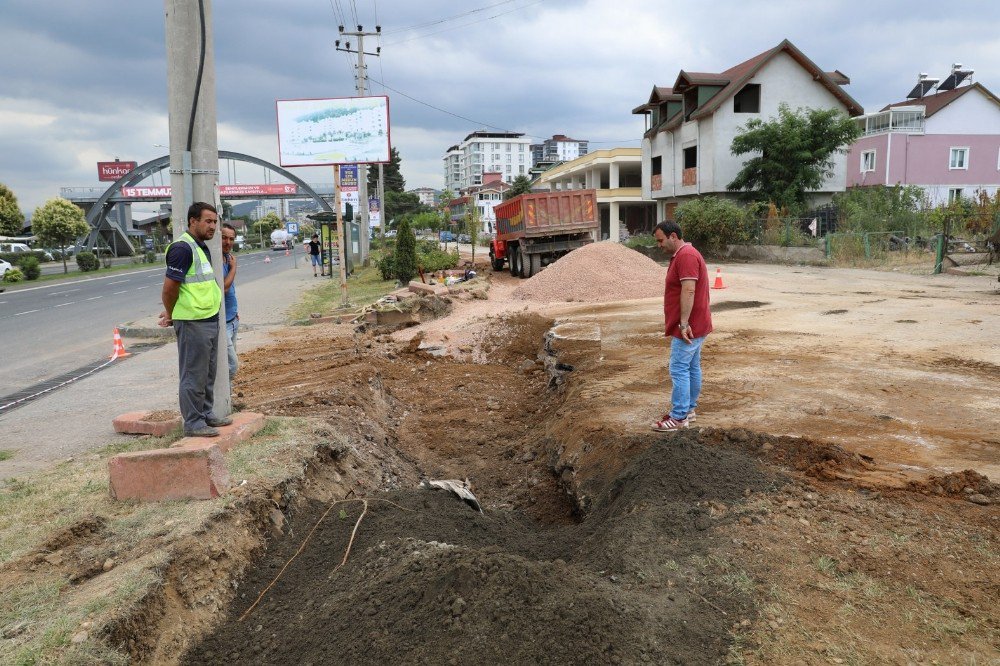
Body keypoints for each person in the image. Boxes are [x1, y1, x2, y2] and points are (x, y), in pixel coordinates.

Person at [158, 202, 232, 437]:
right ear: (193, 221)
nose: (212, 226)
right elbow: (170, 289)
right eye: (207, 221)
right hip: (192, 322)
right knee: (193, 374)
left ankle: (205, 414)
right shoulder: (182, 248)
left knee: (209, 372)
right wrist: (171, 313)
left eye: (214, 221)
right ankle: (193, 422)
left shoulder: (201, 247)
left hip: (208, 318)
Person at [651, 220, 713, 432]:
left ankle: (678, 417)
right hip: (696, 324)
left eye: (661, 240)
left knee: (678, 368)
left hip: (689, 327)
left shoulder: (686, 256)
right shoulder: (685, 254)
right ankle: (689, 410)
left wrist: (684, 324)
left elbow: (688, 290)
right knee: (691, 367)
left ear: (673, 236)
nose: (659, 245)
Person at [220, 223, 239, 380]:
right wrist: (234, 269)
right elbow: (223, 289)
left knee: (228, 366)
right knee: (232, 366)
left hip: (233, 321)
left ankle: (228, 401)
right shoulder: (216, 262)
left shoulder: (228, 258)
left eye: (231, 239)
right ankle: (219, 402)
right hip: (222, 324)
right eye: (224, 238)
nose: (228, 242)